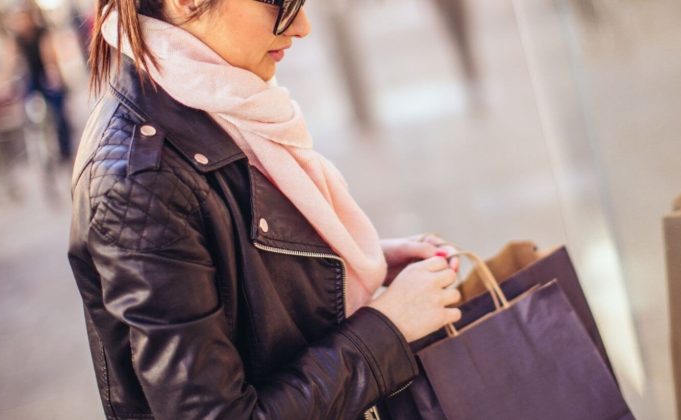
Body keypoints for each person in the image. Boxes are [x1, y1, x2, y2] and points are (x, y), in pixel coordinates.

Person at [67, 1, 464, 419]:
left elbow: (233, 271)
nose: (303, 27)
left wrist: (349, 260)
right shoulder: (139, 183)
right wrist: (389, 328)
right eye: (279, 2)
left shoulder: (217, 99)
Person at [4, 5, 74, 162]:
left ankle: (65, 149)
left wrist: (53, 73)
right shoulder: (16, 39)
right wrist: (6, 83)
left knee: (58, 107)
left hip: (46, 72)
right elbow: (9, 62)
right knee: (27, 108)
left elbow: (49, 55)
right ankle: (39, 149)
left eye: (23, 18)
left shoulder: (42, 32)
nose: (21, 22)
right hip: (31, 77)